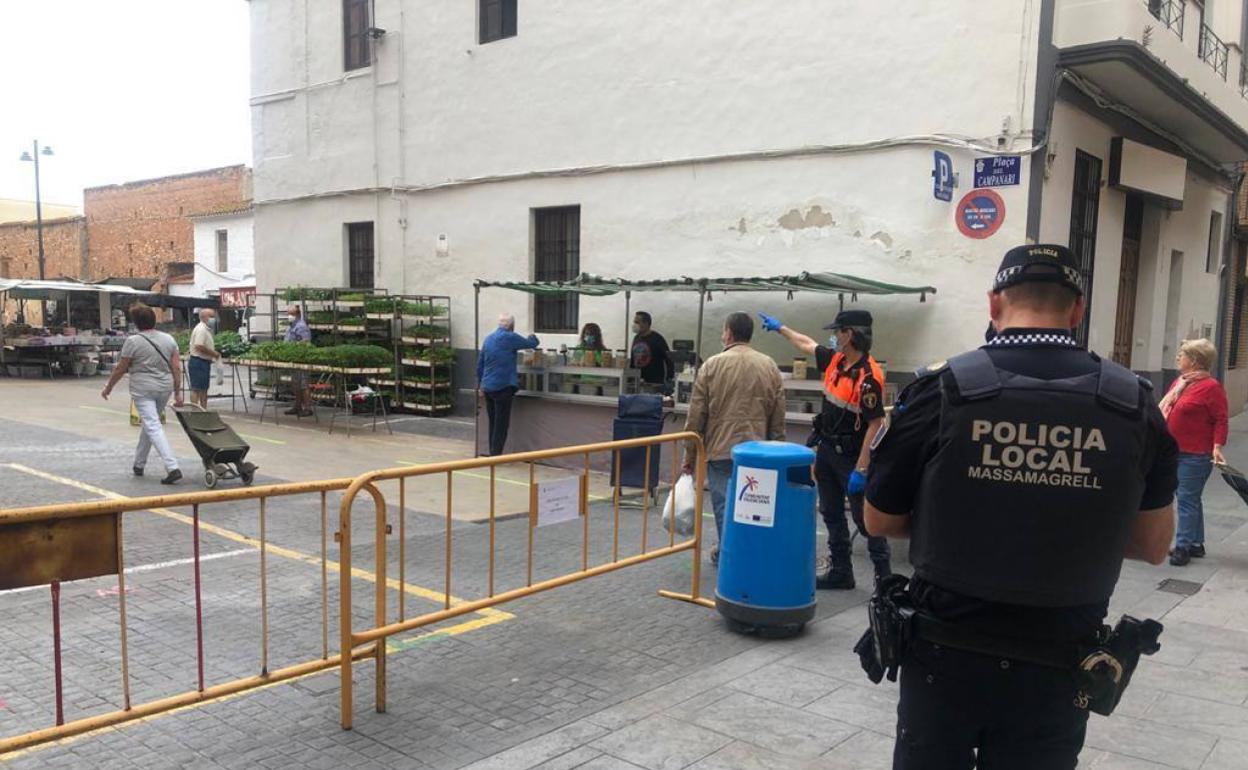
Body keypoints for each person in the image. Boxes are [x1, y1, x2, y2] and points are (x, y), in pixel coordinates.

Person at [863, 243, 1177, 769]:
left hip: (943, 655)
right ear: (1077, 310)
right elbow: (1153, 545)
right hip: (1060, 658)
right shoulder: (1133, 402)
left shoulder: (940, 389)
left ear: (994, 303)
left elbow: (879, 519)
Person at [760, 308, 891, 588]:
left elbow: (876, 424)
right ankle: (842, 571)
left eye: (837, 331)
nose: (833, 336)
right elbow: (806, 343)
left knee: (865, 520)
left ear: (850, 335)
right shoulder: (835, 360)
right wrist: (781, 327)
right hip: (828, 451)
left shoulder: (869, 376)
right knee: (831, 512)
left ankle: (884, 578)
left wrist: (862, 468)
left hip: (853, 458)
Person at [682, 312, 786, 564]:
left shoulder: (712, 365)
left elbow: (697, 415)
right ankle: (752, 553)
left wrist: (689, 455)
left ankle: (730, 555)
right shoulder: (769, 365)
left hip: (720, 449)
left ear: (728, 333)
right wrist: (778, 448)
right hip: (758, 450)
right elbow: (778, 413)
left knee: (724, 505)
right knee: (755, 506)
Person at [1160, 338, 1228, 566]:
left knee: (1187, 499)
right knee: (1190, 498)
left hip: (1196, 454)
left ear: (1196, 360)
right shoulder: (1180, 382)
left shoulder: (1211, 388)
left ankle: (1182, 547)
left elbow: (1221, 419)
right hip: (1174, 450)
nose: (1178, 357)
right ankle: (1196, 543)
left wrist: (1218, 446)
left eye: (1183, 354)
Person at [101, 304, 185, 484]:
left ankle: (172, 467)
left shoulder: (133, 342)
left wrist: (109, 387)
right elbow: (176, 368)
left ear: (136, 323)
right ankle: (139, 464)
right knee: (150, 424)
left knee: (153, 425)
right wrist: (178, 392)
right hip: (165, 387)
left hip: (143, 389)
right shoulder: (169, 339)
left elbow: (121, 368)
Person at [477, 313, 540, 456]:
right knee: (501, 423)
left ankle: (492, 451)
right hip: (503, 386)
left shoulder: (488, 339)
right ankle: (496, 455)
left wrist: (480, 384)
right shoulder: (510, 337)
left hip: (488, 387)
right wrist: (532, 335)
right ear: (511, 325)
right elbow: (532, 344)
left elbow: (480, 364)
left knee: (493, 421)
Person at [629, 311, 673, 392]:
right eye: (634, 322)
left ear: (646, 323)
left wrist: (669, 379)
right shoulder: (636, 338)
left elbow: (669, 359)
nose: (634, 325)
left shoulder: (657, 339)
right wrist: (630, 378)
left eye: (637, 322)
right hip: (637, 383)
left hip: (655, 384)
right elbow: (633, 360)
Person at [188, 308, 221, 409]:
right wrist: (213, 353)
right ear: (204, 317)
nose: (213, 319)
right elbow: (199, 346)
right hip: (198, 361)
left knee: (203, 389)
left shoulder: (206, 329)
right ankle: (195, 411)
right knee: (197, 389)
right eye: (211, 317)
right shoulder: (201, 329)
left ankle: (203, 410)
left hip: (203, 362)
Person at [284, 306, 314, 416]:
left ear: (297, 315)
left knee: (303, 385)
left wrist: (295, 347)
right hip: (293, 359)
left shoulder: (301, 326)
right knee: (296, 384)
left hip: (301, 359)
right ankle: (297, 406)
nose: (289, 316)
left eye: (291, 314)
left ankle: (307, 408)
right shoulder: (291, 326)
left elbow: (305, 342)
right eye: (288, 314)